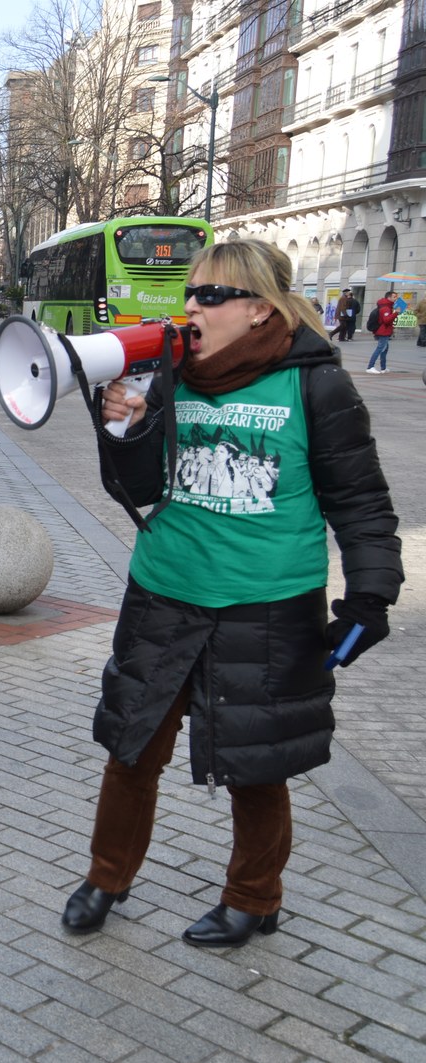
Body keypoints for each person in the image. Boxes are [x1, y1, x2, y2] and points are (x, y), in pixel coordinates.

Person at [61, 239, 402, 947]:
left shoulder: (315, 385)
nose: (192, 306)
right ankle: (106, 876)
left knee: (256, 764)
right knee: (132, 749)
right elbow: (140, 488)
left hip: (267, 605)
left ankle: (254, 895)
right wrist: (122, 431)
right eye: (190, 293)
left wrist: (371, 596)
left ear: (258, 309)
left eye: (211, 295)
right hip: (163, 592)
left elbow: (363, 502)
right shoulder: (170, 374)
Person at [365, 289, 397, 372]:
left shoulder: (387, 306)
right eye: (394, 297)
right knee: (380, 349)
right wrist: (395, 313)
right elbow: (386, 320)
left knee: (384, 349)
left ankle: (383, 368)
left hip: (384, 331)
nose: (395, 298)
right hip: (383, 331)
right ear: (388, 297)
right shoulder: (385, 308)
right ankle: (370, 367)